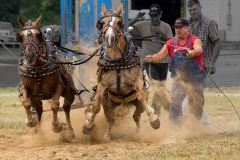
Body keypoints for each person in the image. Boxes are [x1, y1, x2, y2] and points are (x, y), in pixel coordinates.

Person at [146, 18, 205, 126]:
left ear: (187, 28)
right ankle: (175, 127)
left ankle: (195, 125)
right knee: (176, 102)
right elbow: (159, 56)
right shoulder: (170, 43)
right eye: (176, 28)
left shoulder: (194, 40)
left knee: (197, 102)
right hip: (179, 78)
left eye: (180, 28)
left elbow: (198, 49)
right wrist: (152, 58)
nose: (177, 30)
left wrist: (192, 52)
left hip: (195, 77)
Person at [128, 4, 173, 116]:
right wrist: (135, 19)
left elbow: (171, 43)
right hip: (149, 62)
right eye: (151, 15)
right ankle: (170, 108)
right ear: (149, 15)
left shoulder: (166, 26)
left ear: (160, 15)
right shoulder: (143, 24)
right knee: (156, 86)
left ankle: (155, 111)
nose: (153, 18)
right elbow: (124, 29)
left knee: (160, 88)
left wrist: (161, 34)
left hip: (163, 61)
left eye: (156, 15)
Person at [182, 0, 221, 128]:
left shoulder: (210, 23)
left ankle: (197, 124)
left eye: (195, 9)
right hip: (187, 65)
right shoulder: (186, 25)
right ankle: (201, 125)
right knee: (192, 95)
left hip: (202, 66)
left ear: (200, 7)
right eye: (190, 10)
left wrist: (212, 62)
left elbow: (217, 43)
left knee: (195, 94)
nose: (193, 12)